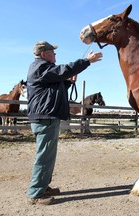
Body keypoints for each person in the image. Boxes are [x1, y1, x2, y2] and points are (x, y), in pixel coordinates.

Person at [26, 41, 102, 205]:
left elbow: (54, 87)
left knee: (48, 156)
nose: (55, 55)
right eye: (53, 52)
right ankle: (35, 193)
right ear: (44, 54)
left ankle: (43, 186)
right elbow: (63, 70)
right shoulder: (40, 67)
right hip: (45, 118)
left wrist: (69, 82)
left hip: (47, 117)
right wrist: (86, 61)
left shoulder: (43, 69)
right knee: (44, 156)